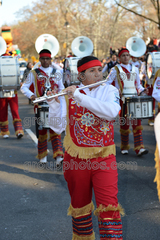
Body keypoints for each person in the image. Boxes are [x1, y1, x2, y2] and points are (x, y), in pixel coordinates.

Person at [47, 56, 124, 240]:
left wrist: (79, 97)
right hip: (75, 160)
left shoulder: (109, 90)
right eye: (92, 71)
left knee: (109, 206)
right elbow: (57, 127)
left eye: (99, 69)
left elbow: (111, 112)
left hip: (104, 159)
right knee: (80, 207)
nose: (98, 74)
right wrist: (54, 104)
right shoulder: (70, 95)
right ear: (81, 76)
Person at [21, 49, 64, 165]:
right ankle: (42, 155)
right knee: (42, 131)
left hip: (54, 106)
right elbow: (24, 87)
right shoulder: (34, 73)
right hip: (41, 106)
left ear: (51, 60)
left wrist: (61, 102)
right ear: (39, 60)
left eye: (47, 59)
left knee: (55, 130)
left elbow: (61, 88)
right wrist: (31, 95)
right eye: (43, 59)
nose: (45, 61)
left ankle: (59, 155)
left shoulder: (57, 72)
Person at [106, 47, 148, 156]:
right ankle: (124, 147)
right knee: (124, 124)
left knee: (136, 123)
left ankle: (139, 148)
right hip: (122, 100)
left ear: (130, 57)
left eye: (127, 55)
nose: (126, 57)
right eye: (123, 55)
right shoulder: (115, 69)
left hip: (134, 99)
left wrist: (143, 90)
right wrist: (116, 92)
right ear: (120, 57)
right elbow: (107, 84)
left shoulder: (135, 68)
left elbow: (138, 85)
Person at [0, 53, 24, 139]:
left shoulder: (14, 65)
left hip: (13, 92)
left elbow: (17, 76)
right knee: (2, 112)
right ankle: (4, 131)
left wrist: (19, 83)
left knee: (15, 111)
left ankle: (19, 131)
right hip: (1, 93)